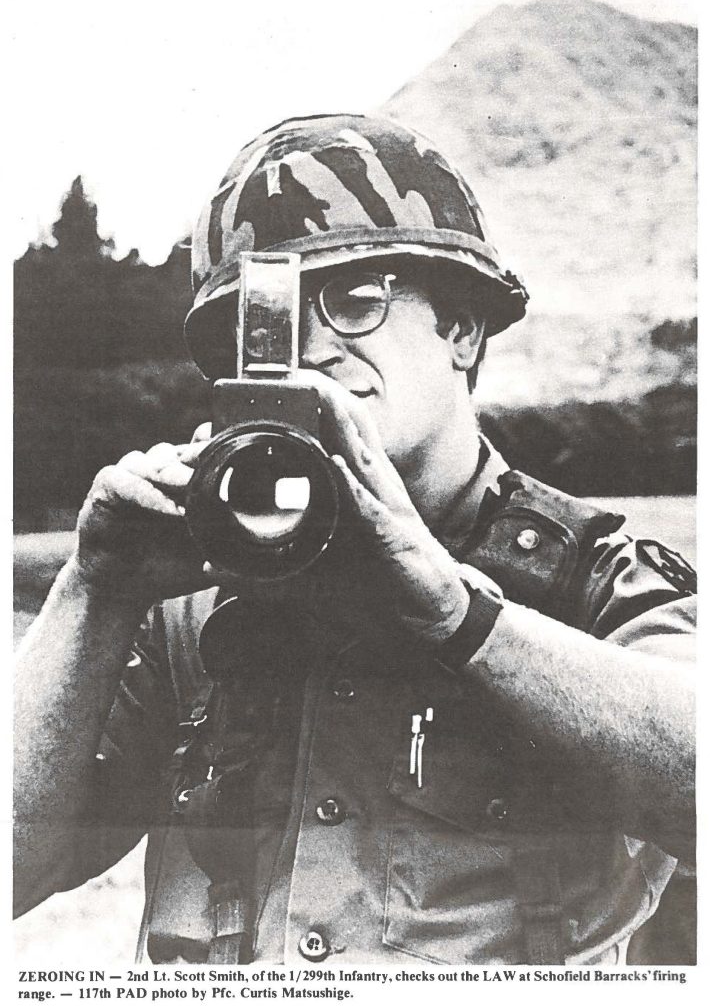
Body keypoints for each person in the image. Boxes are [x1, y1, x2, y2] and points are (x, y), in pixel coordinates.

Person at [14, 115, 695, 967]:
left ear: (463, 331)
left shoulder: (592, 582)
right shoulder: (191, 593)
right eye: (263, 322)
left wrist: (462, 617)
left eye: (356, 300)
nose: (310, 350)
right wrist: (94, 591)